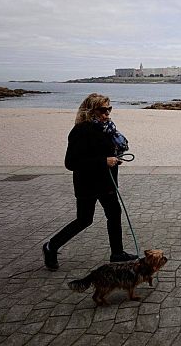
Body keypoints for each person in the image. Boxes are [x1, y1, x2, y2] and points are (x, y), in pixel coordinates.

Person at [43, 93, 137, 270]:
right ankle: (51, 247)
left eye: (109, 108)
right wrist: (103, 161)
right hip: (87, 184)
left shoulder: (107, 128)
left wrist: (114, 159)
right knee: (84, 220)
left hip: (107, 182)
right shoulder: (80, 130)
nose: (107, 113)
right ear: (91, 110)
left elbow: (106, 152)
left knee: (115, 214)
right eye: (103, 109)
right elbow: (71, 163)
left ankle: (117, 253)